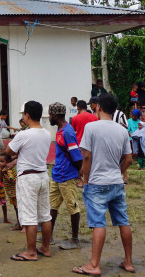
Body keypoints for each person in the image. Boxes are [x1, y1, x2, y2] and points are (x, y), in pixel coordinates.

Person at [74, 93, 134, 275]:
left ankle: (94, 265)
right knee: (123, 221)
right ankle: (129, 262)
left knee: (99, 223)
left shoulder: (91, 127)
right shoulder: (122, 130)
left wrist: (85, 178)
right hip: (116, 182)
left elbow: (86, 156)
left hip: (97, 183)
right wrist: (119, 172)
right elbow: (129, 159)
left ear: (98, 106)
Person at [5, 100, 52, 262]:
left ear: (28, 115)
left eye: (24, 114)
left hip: (28, 177)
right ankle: (45, 248)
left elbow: (8, 151)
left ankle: (31, 252)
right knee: (45, 215)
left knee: (29, 216)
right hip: (42, 175)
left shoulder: (23, 134)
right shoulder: (46, 134)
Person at [48, 102, 83, 250]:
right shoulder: (61, 130)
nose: (49, 117)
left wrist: (77, 175)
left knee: (72, 207)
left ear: (55, 116)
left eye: (50, 115)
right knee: (52, 207)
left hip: (66, 176)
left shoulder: (67, 132)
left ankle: (75, 239)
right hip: (57, 175)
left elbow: (77, 156)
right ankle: (48, 236)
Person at [0, 152, 21, 230]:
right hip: (11, 193)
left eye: (2, 161)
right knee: (16, 208)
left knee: (18, 209)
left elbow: (12, 180)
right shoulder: (4, 170)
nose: (0, 163)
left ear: (8, 162)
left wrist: (4, 173)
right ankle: (20, 223)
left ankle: (21, 225)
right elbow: (2, 180)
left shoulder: (9, 170)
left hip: (15, 193)